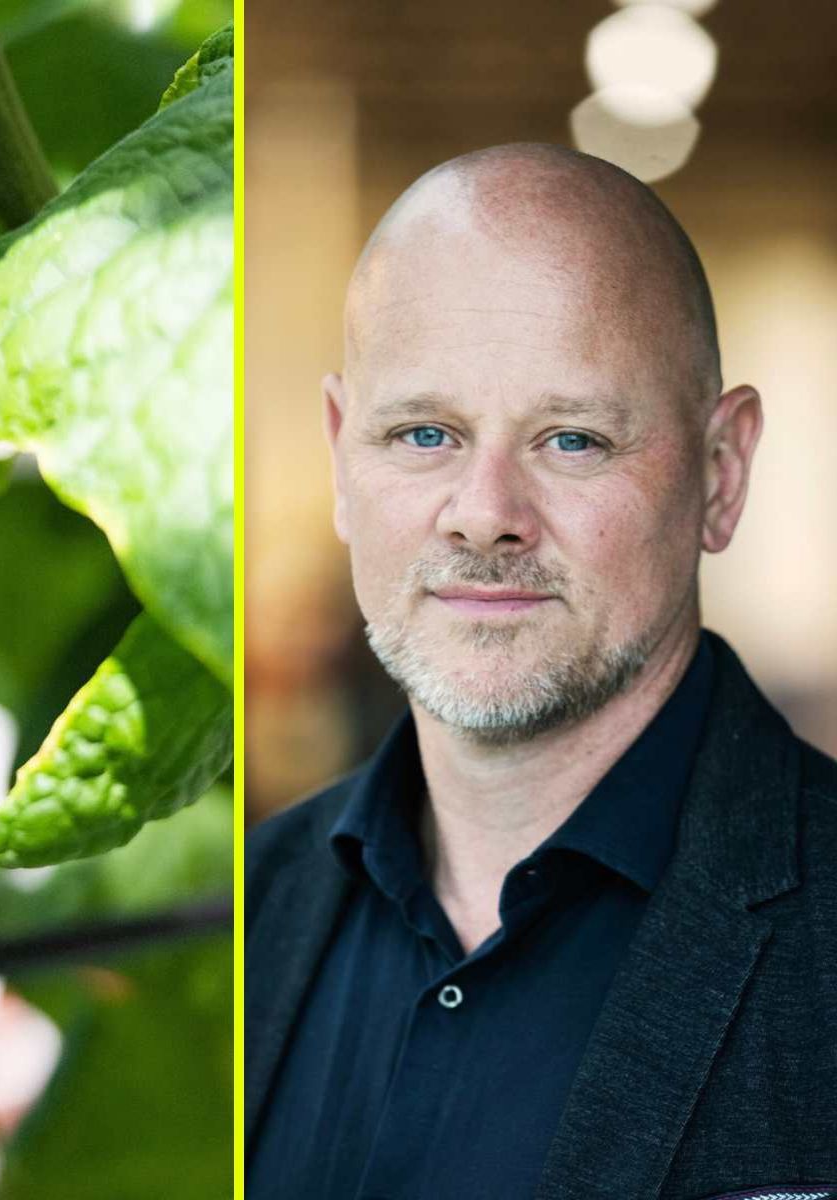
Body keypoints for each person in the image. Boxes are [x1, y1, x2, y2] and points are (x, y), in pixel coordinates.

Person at [245, 143, 837, 1199]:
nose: (485, 515)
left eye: (571, 440)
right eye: (424, 433)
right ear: (342, 458)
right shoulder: (247, 913)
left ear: (722, 471)